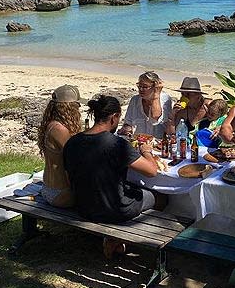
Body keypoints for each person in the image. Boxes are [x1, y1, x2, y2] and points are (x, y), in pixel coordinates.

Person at [63, 95, 162, 257]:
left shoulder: (72, 142)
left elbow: (69, 179)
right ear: (114, 117)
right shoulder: (116, 144)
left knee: (131, 188)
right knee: (160, 197)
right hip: (115, 209)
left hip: (83, 207)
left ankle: (115, 237)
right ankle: (117, 238)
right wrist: (146, 152)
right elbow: (152, 171)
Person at [37, 84, 84, 208]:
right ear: (70, 108)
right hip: (60, 194)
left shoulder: (52, 125)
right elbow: (78, 158)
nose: (79, 110)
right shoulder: (60, 130)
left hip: (50, 188)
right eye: (77, 105)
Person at [119, 71, 173, 139]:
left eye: (145, 87)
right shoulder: (135, 100)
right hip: (138, 141)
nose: (141, 89)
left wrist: (156, 96)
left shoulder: (165, 99)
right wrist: (126, 129)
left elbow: (155, 118)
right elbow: (128, 122)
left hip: (158, 143)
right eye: (139, 86)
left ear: (155, 87)